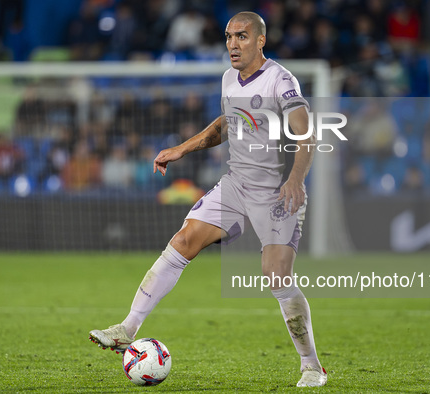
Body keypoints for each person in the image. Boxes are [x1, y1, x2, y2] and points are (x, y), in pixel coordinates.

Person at [89, 11, 327, 387]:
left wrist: (296, 179)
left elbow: (306, 132)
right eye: (229, 36)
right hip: (235, 184)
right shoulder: (229, 78)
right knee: (183, 241)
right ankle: (127, 328)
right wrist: (182, 149)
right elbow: (227, 124)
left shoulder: (281, 81)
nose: (233, 44)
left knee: (277, 277)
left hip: (275, 191)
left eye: (242, 37)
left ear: (261, 41)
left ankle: (312, 365)